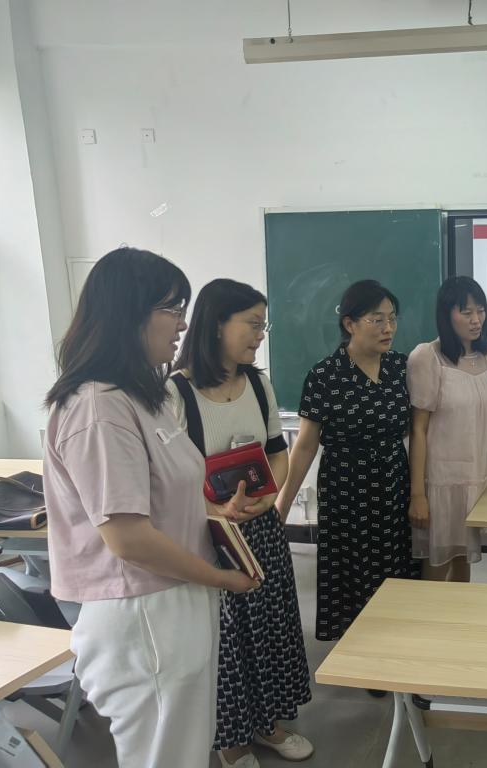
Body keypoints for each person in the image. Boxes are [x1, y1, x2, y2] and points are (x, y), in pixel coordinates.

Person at [43, 248, 258, 768]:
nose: (183, 324)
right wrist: (220, 578)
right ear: (129, 311)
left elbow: (159, 496)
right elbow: (128, 538)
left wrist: (213, 514)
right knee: (165, 756)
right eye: (172, 308)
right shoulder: (98, 407)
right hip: (142, 611)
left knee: (184, 747)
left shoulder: (142, 395)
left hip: (174, 597)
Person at [167, 279, 312, 768]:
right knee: (227, 642)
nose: (260, 335)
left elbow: (277, 453)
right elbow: (169, 480)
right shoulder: (176, 393)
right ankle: (231, 741)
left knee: (269, 628)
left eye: (262, 325)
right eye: (252, 324)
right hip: (209, 536)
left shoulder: (257, 383)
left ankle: (268, 724)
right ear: (216, 324)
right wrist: (216, 511)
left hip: (261, 528)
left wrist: (269, 495)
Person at [276, 280, 414, 652]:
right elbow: (305, 445)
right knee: (353, 573)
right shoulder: (325, 375)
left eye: (392, 318)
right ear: (350, 323)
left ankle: (395, 648)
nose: (388, 328)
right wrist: (283, 504)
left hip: (393, 482)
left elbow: (418, 429)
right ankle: (360, 652)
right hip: (346, 488)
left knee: (394, 570)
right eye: (376, 319)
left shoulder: (401, 368)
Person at [407, 276, 487, 582]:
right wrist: (418, 494)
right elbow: (418, 430)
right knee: (437, 568)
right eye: (466, 312)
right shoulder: (427, 357)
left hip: (477, 480)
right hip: (441, 483)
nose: (476, 319)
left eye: (480, 310)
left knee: (463, 564)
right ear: (447, 314)